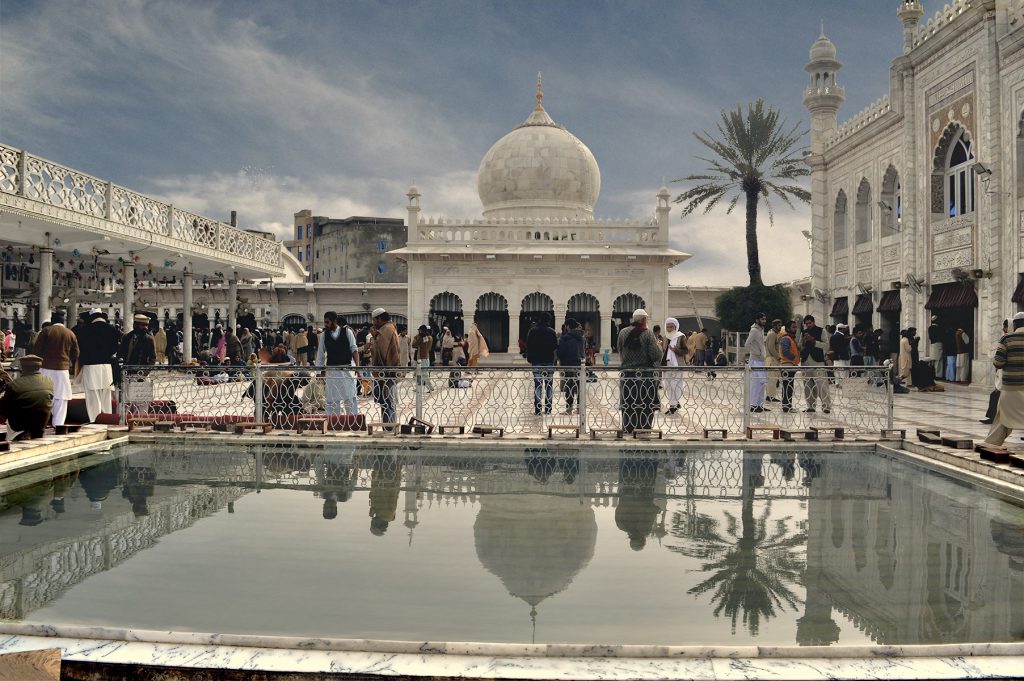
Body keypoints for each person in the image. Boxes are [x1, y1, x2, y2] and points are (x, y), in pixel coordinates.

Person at [32, 310, 79, 428]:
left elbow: (36, 350)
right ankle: (58, 425)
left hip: (46, 367)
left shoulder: (46, 331)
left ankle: (43, 422)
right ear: (63, 321)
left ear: (52, 321)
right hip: (63, 370)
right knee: (61, 397)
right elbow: (76, 353)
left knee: (45, 394)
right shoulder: (70, 333)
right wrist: (67, 360)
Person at [617, 309, 661, 433]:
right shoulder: (647, 334)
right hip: (645, 375)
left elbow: (620, 350)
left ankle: (628, 428)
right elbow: (656, 355)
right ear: (644, 320)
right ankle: (643, 429)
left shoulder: (622, 333)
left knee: (628, 403)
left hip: (627, 375)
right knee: (645, 403)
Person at [984, 313, 1024, 447]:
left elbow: (998, 363)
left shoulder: (1006, 339)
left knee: (1003, 417)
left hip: (1011, 388)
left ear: (1016, 324)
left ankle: (992, 443)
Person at [74, 309, 120, 422]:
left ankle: (94, 420)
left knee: (92, 395)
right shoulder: (112, 329)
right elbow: (114, 348)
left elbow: (80, 350)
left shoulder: (84, 330)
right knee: (106, 394)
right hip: (106, 366)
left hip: (90, 366)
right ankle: (107, 419)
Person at [316, 311, 359, 416]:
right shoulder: (324, 335)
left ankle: (352, 421)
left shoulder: (347, 332)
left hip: (346, 370)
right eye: (325, 322)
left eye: (327, 322)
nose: (325, 325)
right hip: (332, 371)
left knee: (349, 397)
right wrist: (319, 372)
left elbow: (354, 350)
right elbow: (321, 354)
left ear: (335, 321)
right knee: (332, 399)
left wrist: (357, 367)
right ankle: (333, 422)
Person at [0, 355, 52, 440]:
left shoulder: (14, 385)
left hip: (19, 427)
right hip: (41, 426)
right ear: (39, 367)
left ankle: (11, 439)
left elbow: (3, 409)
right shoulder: (49, 381)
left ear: (22, 368)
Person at [370, 307, 400, 426]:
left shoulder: (385, 330)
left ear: (379, 319)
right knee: (387, 403)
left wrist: (374, 337)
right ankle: (389, 428)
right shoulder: (388, 328)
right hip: (387, 373)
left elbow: (382, 354)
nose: (373, 323)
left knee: (388, 403)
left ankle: (389, 429)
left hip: (386, 374)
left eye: (374, 320)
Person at [526, 314, 557, 415]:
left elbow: (529, 346)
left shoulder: (533, 331)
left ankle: (538, 408)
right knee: (549, 385)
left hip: (537, 360)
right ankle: (548, 408)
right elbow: (554, 346)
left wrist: (530, 358)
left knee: (538, 384)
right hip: (548, 360)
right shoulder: (552, 332)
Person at [800, 315, 831, 413]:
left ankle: (826, 406)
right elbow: (800, 346)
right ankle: (810, 406)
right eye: (806, 324)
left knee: (822, 384)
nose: (808, 325)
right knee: (808, 385)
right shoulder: (804, 332)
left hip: (818, 361)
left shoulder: (821, 331)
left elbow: (826, 345)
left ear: (813, 322)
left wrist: (814, 342)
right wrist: (804, 342)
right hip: (805, 361)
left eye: (810, 323)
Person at [555, 317, 585, 414]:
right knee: (579, 386)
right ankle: (580, 409)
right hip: (579, 364)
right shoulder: (581, 337)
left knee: (569, 386)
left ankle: (569, 408)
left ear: (567, 326)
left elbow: (560, 352)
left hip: (568, 364)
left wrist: (559, 359)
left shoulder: (565, 337)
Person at [661, 317, 687, 415]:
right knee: (668, 385)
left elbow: (685, 350)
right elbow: (664, 351)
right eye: (668, 326)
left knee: (675, 385)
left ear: (675, 327)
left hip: (677, 365)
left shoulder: (681, 336)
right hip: (666, 365)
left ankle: (673, 405)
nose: (669, 328)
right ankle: (675, 403)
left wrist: (675, 350)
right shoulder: (665, 337)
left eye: (671, 326)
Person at [744, 312, 768, 413]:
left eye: (765, 319)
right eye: (762, 319)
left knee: (761, 383)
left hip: (761, 360)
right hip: (755, 360)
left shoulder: (761, 330)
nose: (764, 321)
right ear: (757, 320)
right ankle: (753, 405)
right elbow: (747, 344)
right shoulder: (754, 330)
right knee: (755, 384)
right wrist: (757, 352)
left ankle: (759, 405)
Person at [778, 320, 800, 412]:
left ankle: (787, 405)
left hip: (791, 365)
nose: (795, 329)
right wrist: (794, 357)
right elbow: (785, 351)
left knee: (789, 386)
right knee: (787, 386)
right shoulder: (785, 338)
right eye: (793, 327)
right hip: (787, 365)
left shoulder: (791, 338)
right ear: (788, 328)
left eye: (796, 327)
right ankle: (786, 406)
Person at [765, 319, 782, 402]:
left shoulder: (772, 333)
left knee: (773, 378)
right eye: (779, 325)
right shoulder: (772, 334)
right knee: (772, 378)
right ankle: (770, 396)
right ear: (774, 326)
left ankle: (770, 395)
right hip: (772, 358)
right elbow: (771, 347)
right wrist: (778, 357)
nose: (780, 327)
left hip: (771, 358)